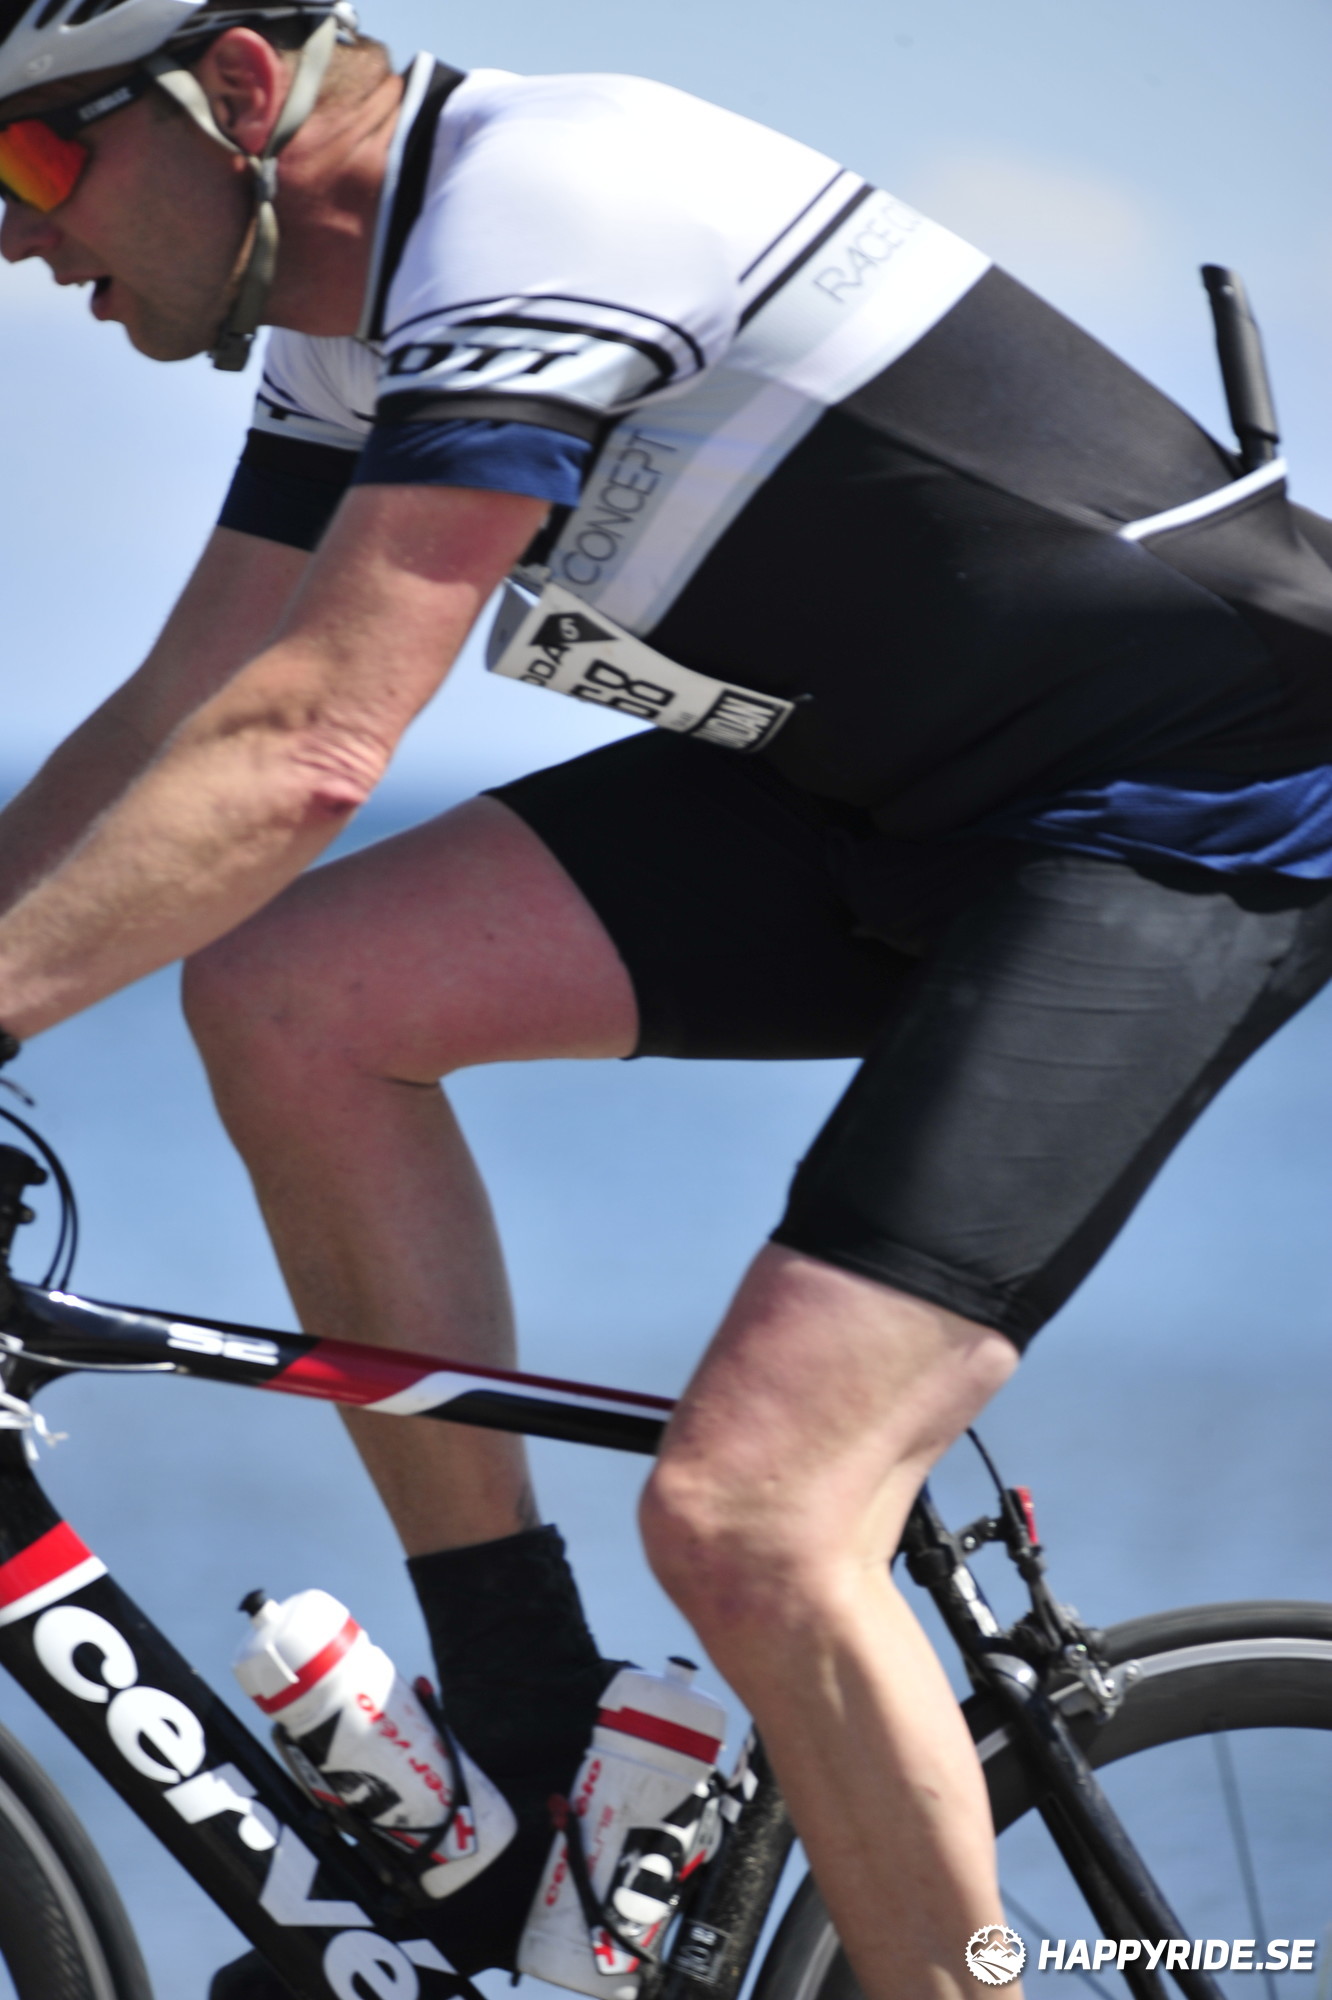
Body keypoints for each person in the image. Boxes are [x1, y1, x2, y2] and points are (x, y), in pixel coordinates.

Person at [2, 1, 1331, 1993]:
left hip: (1193, 803)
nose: (16, 234)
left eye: (35, 158)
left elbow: (307, 748)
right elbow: (174, 712)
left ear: (243, 93)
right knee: (291, 999)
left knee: (757, 1515)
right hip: (889, 788)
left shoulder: (545, 202)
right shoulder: (348, 324)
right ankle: (533, 1735)